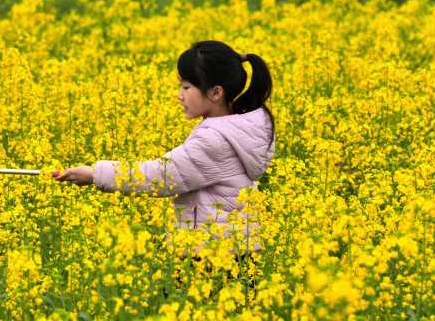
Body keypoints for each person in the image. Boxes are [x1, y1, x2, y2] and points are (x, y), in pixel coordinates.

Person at [53, 40, 275, 259]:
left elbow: (160, 176)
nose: (180, 95)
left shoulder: (214, 141)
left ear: (216, 93)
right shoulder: (239, 129)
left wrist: (95, 175)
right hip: (236, 250)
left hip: (212, 256)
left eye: (187, 87)